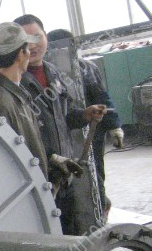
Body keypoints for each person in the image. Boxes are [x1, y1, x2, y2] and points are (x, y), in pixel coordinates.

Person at [13, 14, 107, 234]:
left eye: (37, 37)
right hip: (37, 172)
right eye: (27, 40)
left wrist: (85, 115)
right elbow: (16, 132)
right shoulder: (15, 81)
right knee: (46, 231)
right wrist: (49, 156)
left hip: (63, 172)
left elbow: (64, 118)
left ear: (46, 36)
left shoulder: (54, 73)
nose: (33, 45)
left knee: (69, 228)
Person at [0, 22, 82, 189]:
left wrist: (50, 159)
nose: (30, 51)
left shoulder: (13, 91)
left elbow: (23, 141)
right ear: (21, 55)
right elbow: (5, 160)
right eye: (27, 48)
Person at [47, 28, 123, 214]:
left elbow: (102, 97)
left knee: (95, 173)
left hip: (91, 133)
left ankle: (99, 212)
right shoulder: (48, 73)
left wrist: (114, 126)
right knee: (66, 178)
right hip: (62, 135)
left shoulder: (87, 68)